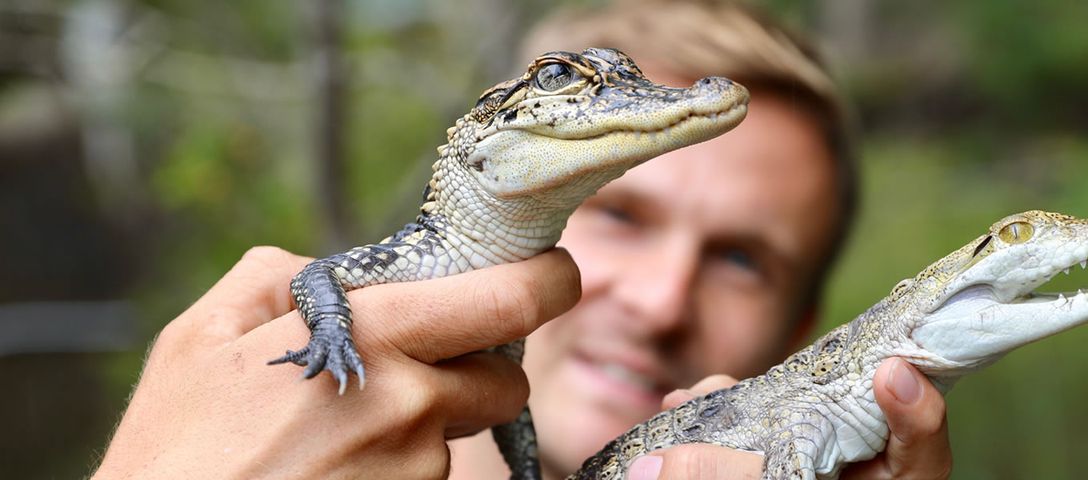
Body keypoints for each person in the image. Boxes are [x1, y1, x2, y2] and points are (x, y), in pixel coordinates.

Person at [94, 1, 951, 479]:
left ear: (803, 327)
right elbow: (322, 280)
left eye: (741, 260)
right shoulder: (410, 260)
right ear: (483, 134)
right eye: (621, 212)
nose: (659, 303)